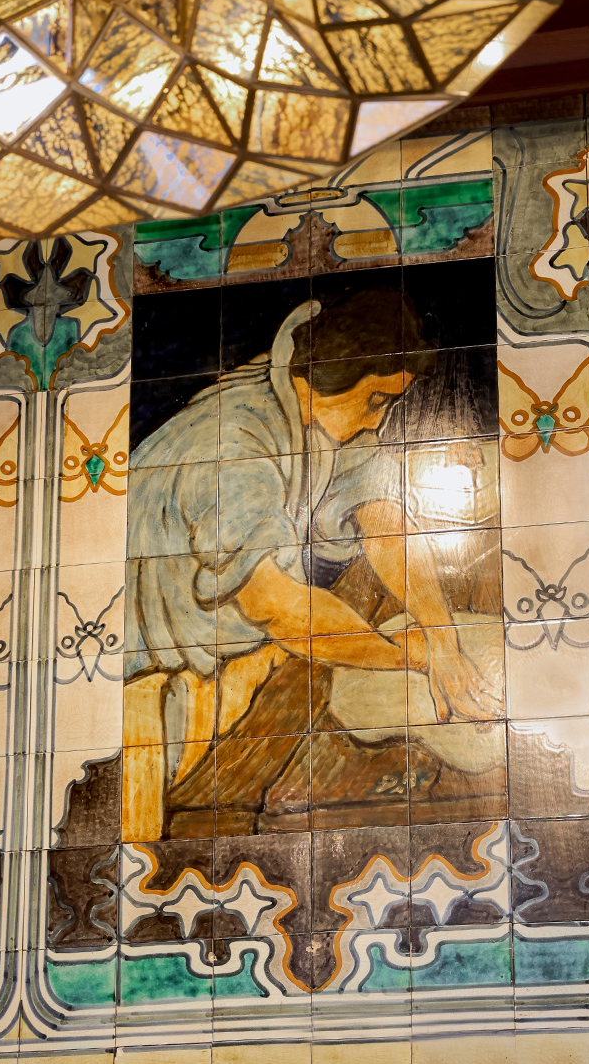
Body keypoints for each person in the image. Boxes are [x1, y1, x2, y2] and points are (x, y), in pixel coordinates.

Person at [124, 287, 502, 837]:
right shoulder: (232, 445)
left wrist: (442, 636)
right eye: (377, 401)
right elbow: (278, 609)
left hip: (238, 665)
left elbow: (383, 521)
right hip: (157, 693)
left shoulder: (318, 407)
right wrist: (413, 656)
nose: (379, 422)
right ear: (332, 371)